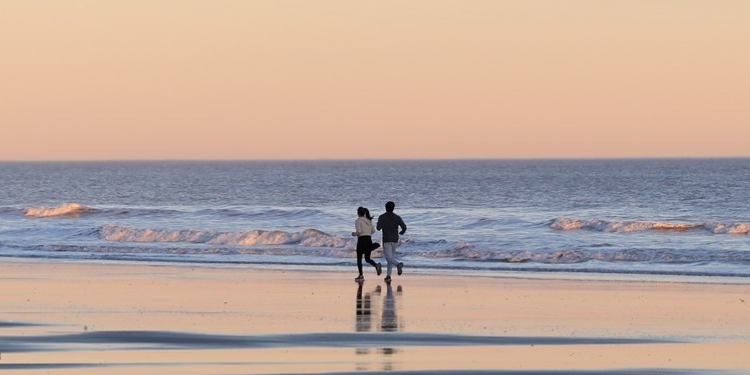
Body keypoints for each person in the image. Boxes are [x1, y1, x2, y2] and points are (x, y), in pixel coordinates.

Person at [376, 201, 406, 283]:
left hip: (386, 239)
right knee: (391, 257)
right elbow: (404, 227)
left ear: (385, 208)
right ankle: (388, 276)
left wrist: (381, 223)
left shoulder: (382, 217)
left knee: (388, 257)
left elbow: (378, 228)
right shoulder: (397, 217)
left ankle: (398, 264)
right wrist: (401, 232)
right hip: (395, 239)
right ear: (393, 208)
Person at [352, 207, 382, 281]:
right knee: (367, 258)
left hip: (361, 240)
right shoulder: (369, 221)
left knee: (359, 259)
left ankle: (361, 276)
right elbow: (373, 231)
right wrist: (367, 233)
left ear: (358, 213)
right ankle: (376, 265)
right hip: (368, 239)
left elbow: (359, 231)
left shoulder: (358, 220)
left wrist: (354, 234)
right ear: (364, 213)